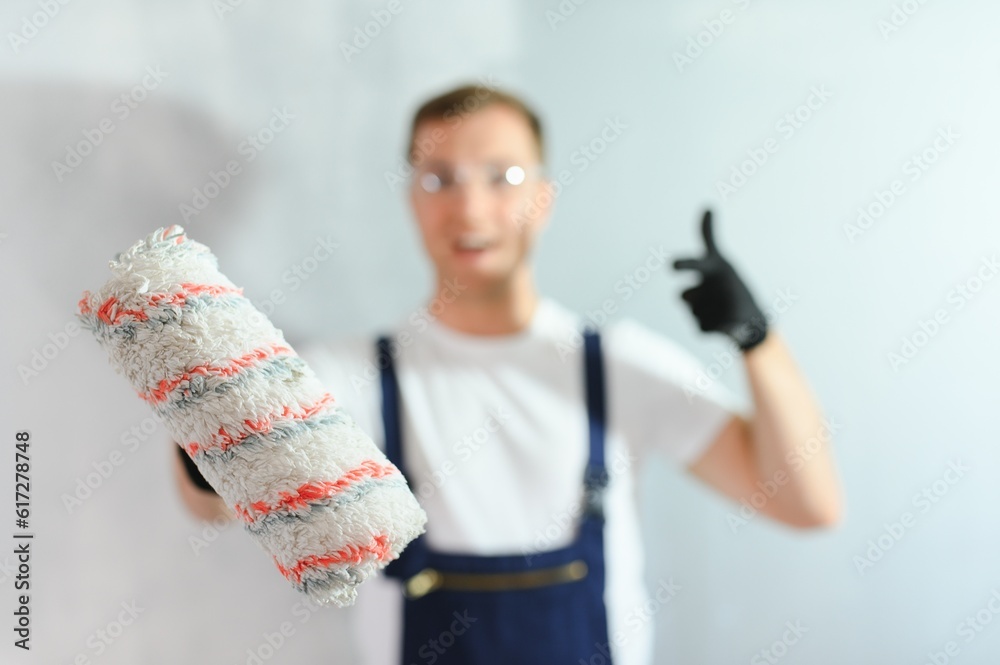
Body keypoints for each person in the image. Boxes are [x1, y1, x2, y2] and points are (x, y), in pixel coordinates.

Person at [174, 83, 842, 664]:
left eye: (503, 177)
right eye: (440, 178)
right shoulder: (342, 376)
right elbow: (209, 506)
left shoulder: (618, 365)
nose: (469, 207)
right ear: (412, 199)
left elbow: (807, 501)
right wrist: (208, 440)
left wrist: (758, 342)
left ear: (544, 199)